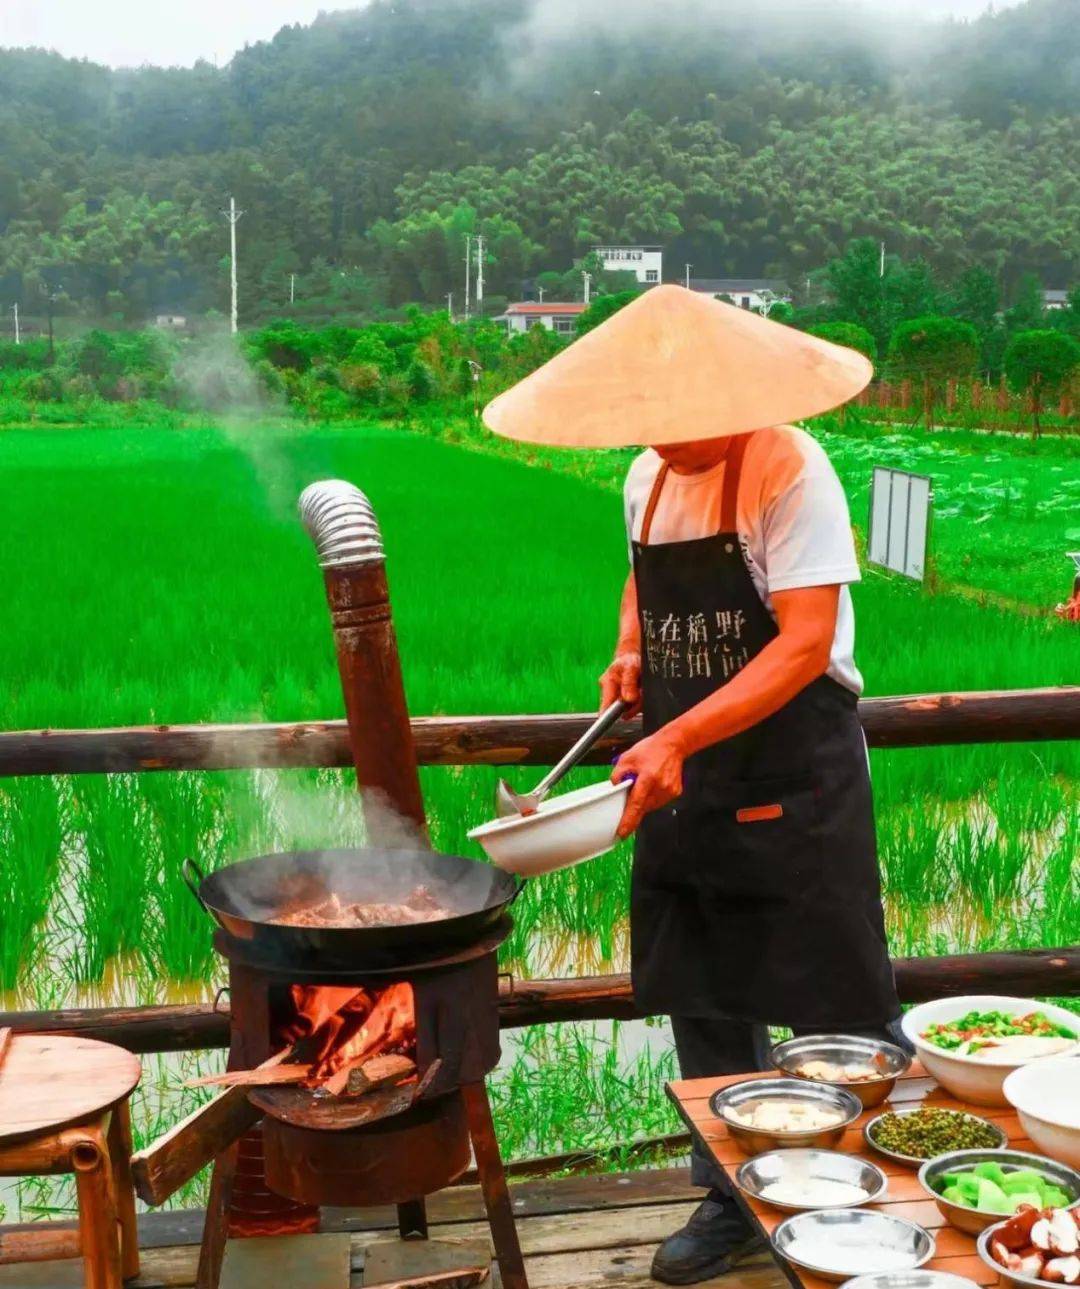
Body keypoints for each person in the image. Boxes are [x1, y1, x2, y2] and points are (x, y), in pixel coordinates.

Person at [483, 286, 905, 1287]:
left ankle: (869, 1199)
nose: (665, 440)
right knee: (707, 995)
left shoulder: (789, 466)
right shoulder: (647, 476)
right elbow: (643, 576)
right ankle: (732, 1200)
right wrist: (631, 649)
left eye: (683, 421)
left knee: (835, 997)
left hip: (796, 771)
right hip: (686, 773)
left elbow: (803, 642)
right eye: (651, 423)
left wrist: (675, 731)